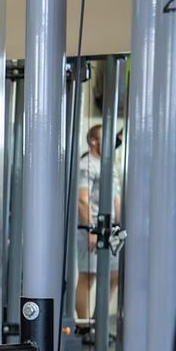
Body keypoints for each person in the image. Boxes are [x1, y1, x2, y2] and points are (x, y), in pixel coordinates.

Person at [75, 124, 121, 323]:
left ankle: (97, 322)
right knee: (89, 277)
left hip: (111, 229)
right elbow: (82, 199)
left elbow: (116, 197)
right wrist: (91, 230)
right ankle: (85, 327)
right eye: (105, 138)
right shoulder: (86, 164)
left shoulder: (110, 165)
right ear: (93, 141)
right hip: (92, 228)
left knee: (114, 276)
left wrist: (119, 224)